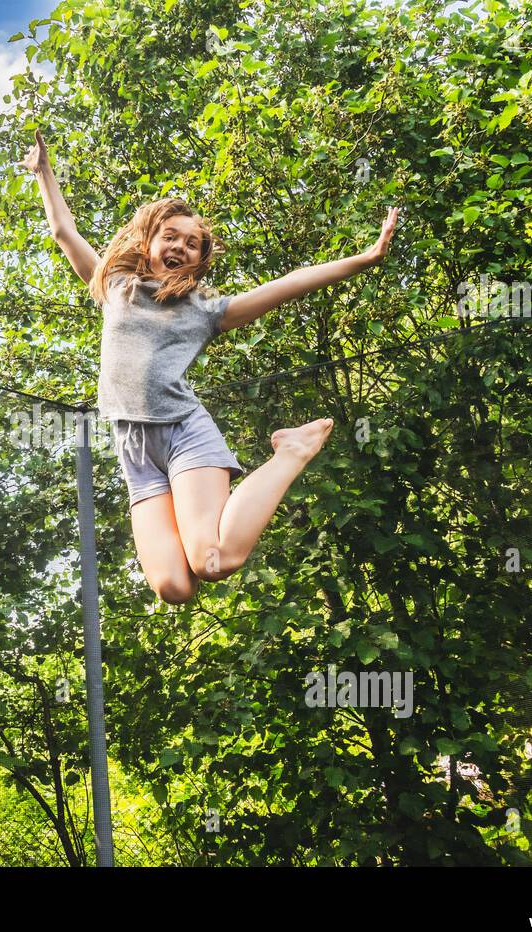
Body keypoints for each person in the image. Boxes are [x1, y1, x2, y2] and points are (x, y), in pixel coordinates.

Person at [23, 129, 398, 604]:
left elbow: (288, 284)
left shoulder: (206, 311)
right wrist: (44, 173)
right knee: (174, 587)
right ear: (150, 241)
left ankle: (291, 451)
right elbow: (64, 233)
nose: (180, 246)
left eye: (192, 243)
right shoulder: (114, 286)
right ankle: (211, 519)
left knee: (215, 560)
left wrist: (363, 260)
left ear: (199, 260)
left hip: (183, 433)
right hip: (134, 450)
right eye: (170, 236)